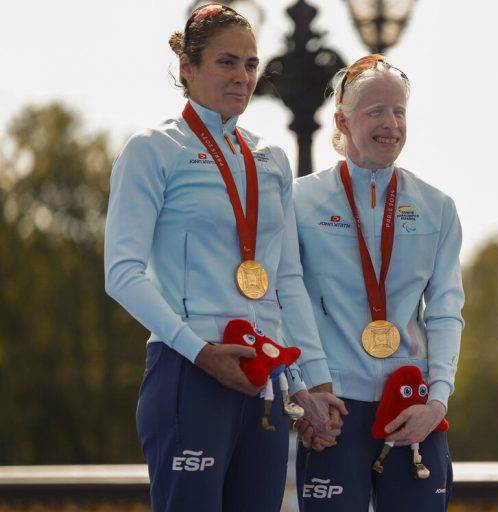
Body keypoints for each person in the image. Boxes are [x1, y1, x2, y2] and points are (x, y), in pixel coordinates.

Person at [103, 4, 345, 510]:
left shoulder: (271, 159)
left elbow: (287, 282)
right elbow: (122, 275)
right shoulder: (153, 150)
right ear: (187, 69)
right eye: (227, 62)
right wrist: (200, 352)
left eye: (251, 64)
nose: (242, 77)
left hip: (266, 378)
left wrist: (311, 384)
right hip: (189, 371)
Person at [291, 54, 465, 511]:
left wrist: (438, 402)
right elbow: (283, 302)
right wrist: (303, 391)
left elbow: (446, 312)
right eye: (375, 111)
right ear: (342, 121)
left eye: (399, 111)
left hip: (411, 406)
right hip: (334, 409)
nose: (391, 123)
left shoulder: (436, 206)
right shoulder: (298, 200)